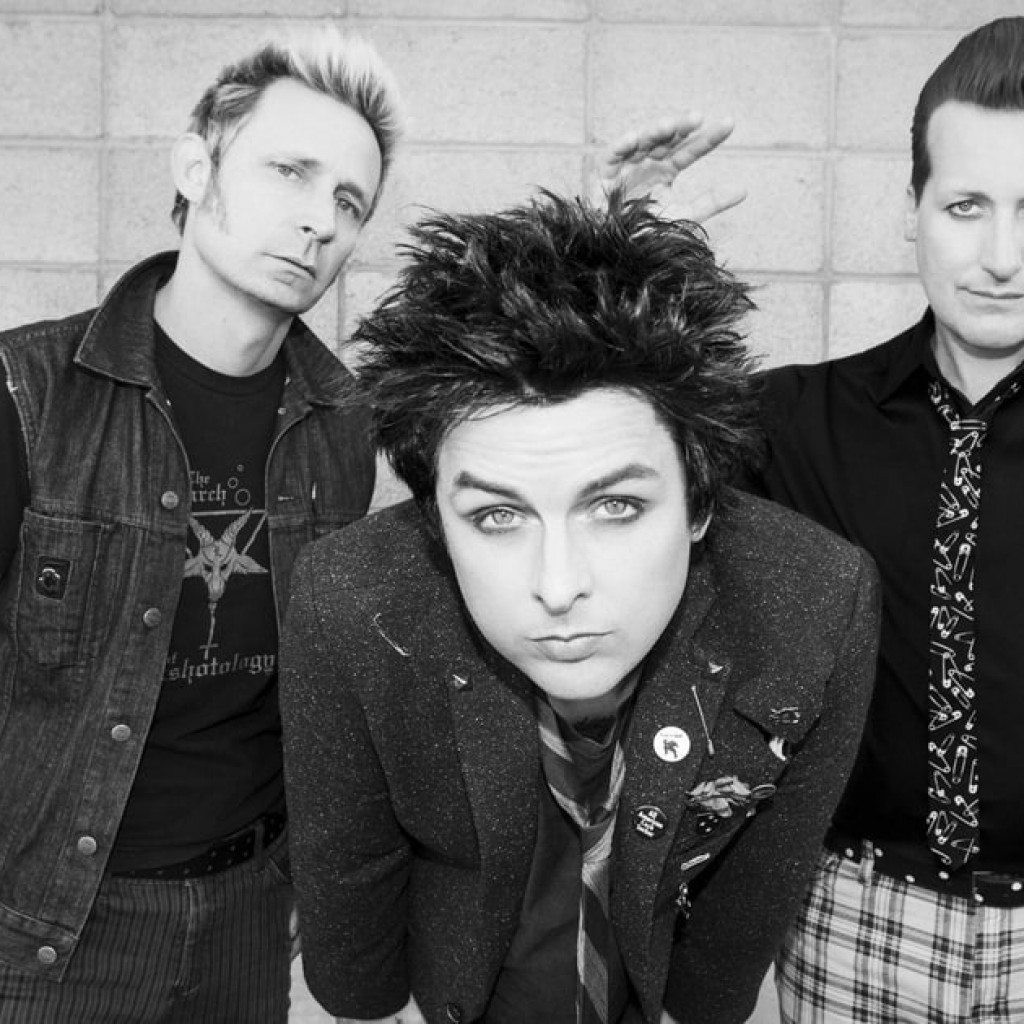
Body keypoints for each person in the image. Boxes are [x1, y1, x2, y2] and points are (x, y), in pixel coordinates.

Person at [278, 190, 881, 1024]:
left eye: (617, 507)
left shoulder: (815, 601)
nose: (558, 587)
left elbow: (754, 894)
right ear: (434, 520)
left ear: (700, 503)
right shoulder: (351, 599)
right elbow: (349, 879)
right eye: (497, 516)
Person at [0, 25, 402, 1022]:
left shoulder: (344, 425)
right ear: (196, 167)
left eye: (348, 202)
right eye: (289, 172)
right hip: (44, 927)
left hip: (247, 918)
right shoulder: (27, 393)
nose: (317, 221)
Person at [761, 18, 1024, 1023]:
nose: (1001, 256)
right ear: (910, 210)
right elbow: (595, 455)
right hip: (853, 920)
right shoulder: (792, 420)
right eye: (965, 205)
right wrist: (623, 255)